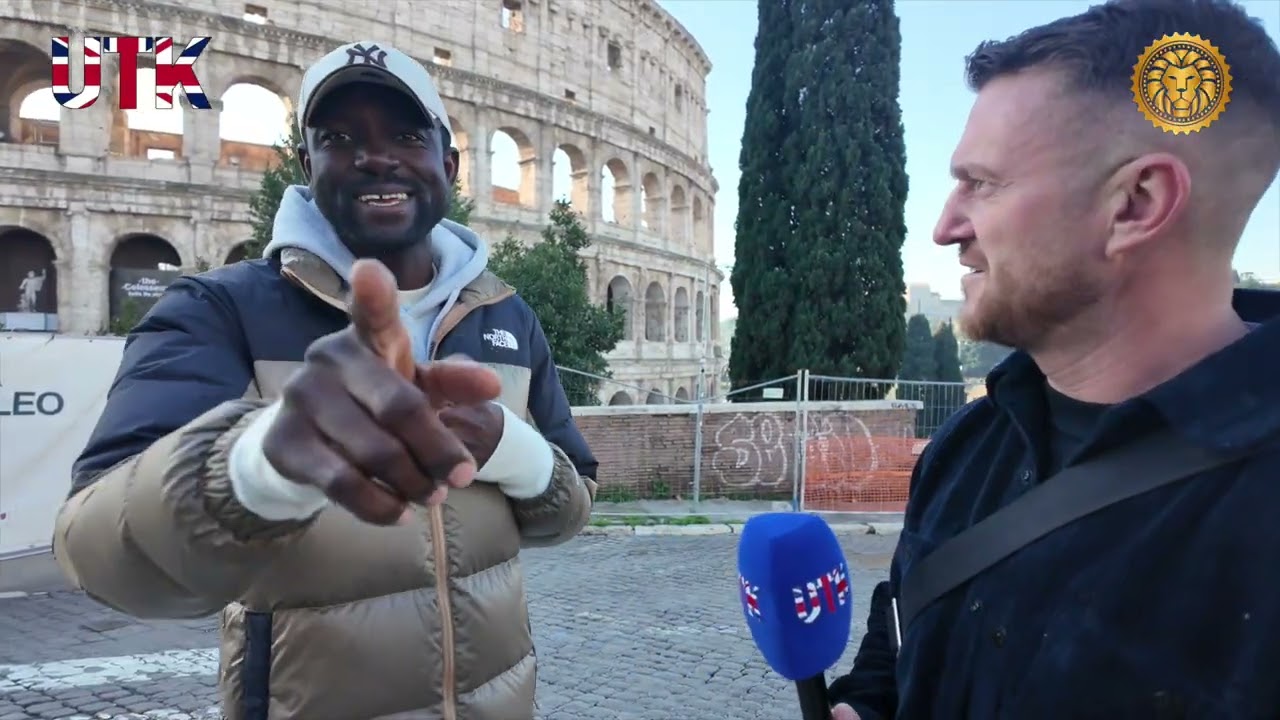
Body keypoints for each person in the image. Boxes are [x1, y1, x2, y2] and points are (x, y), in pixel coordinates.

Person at [51, 41, 598, 720]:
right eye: (339, 138)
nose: (375, 157)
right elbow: (100, 555)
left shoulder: (506, 314)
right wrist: (256, 466)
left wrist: (512, 450)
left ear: (448, 164)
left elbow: (573, 506)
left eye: (405, 134)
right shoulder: (218, 310)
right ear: (308, 166)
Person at [825, 0, 1280, 717]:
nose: (947, 227)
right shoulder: (968, 445)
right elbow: (897, 643)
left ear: (1136, 203)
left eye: (981, 183)